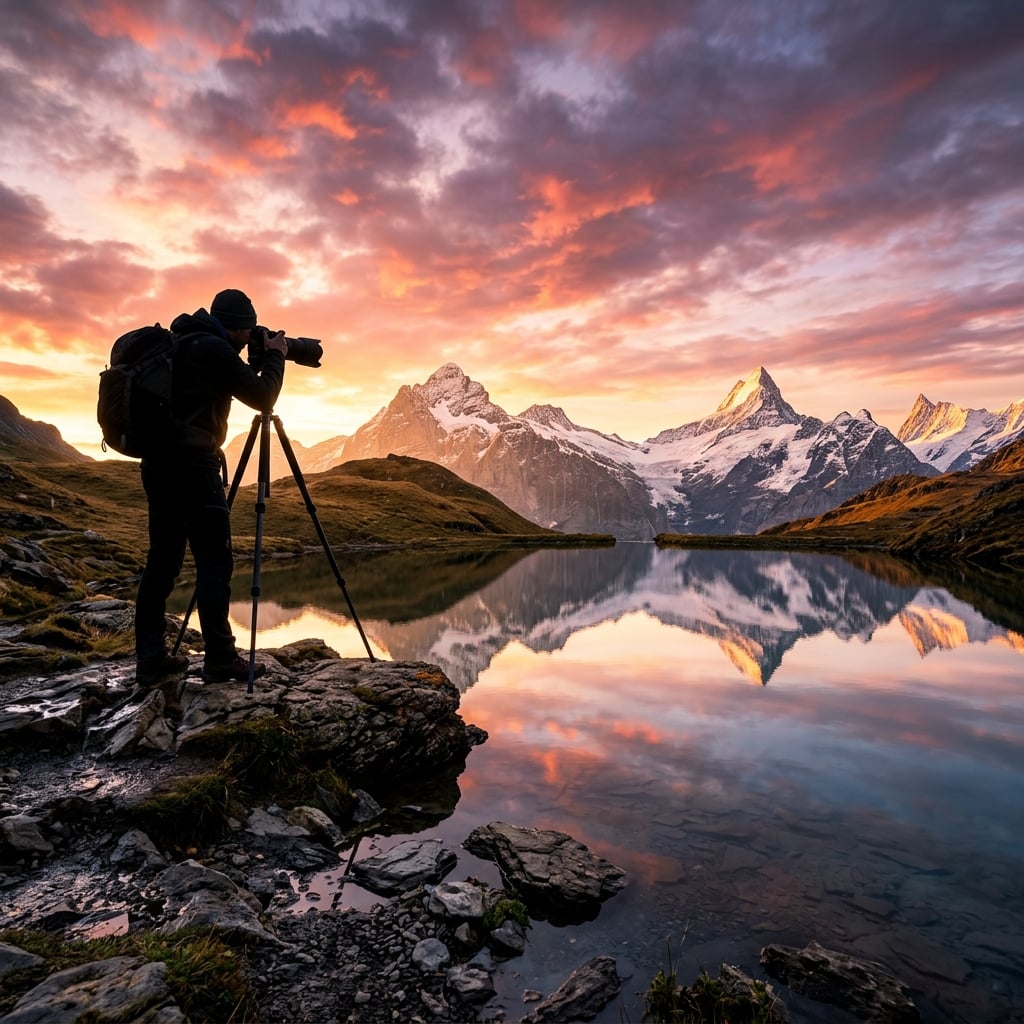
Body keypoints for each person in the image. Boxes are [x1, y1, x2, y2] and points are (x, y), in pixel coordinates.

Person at [134, 288, 287, 686]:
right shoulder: (213, 349)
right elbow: (263, 396)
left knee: (163, 562)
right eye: (248, 332)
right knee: (214, 563)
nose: (247, 340)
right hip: (194, 468)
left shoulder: (183, 342)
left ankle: (150, 660)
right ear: (239, 327)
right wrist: (275, 356)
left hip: (158, 466)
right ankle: (220, 658)